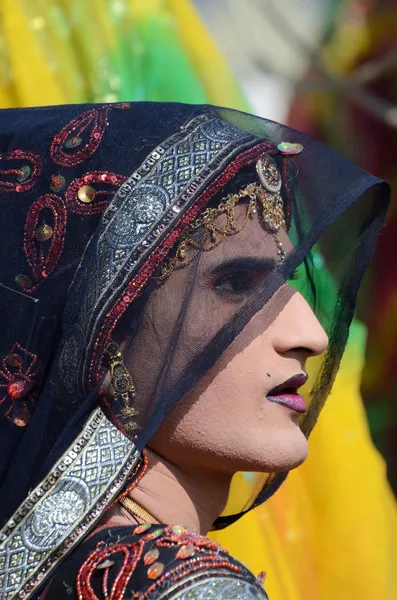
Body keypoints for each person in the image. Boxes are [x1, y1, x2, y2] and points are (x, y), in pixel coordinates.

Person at [0, 102, 388, 600]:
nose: (311, 335)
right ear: (105, 333)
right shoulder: (185, 587)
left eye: (288, 280)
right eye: (234, 285)